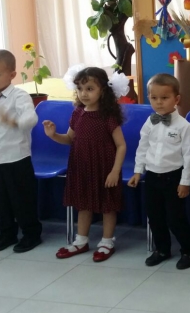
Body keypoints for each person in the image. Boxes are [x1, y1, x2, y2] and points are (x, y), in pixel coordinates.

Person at [45, 66, 128, 262]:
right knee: (83, 204)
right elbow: (69, 139)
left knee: (107, 205)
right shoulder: (78, 113)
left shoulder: (108, 116)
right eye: (80, 89)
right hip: (82, 166)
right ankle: (81, 241)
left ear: (103, 90)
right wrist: (53, 135)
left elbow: (121, 145)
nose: (84, 93)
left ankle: (107, 242)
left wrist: (115, 171)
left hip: (104, 167)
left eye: (90, 89)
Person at [128, 73, 190, 270]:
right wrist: (137, 171)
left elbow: (189, 156)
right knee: (154, 216)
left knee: (175, 218)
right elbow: (142, 148)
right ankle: (162, 249)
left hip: (173, 177)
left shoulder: (184, 126)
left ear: (177, 99)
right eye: (154, 97)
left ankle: (188, 250)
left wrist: (185, 181)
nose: (159, 102)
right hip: (152, 176)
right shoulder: (149, 122)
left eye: (164, 97)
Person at [0, 49, 42, 253]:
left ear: (12, 74)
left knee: (21, 199)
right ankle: (7, 233)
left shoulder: (19, 96)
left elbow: (31, 118)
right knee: (2, 201)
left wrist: (15, 122)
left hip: (16, 158)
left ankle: (31, 234)